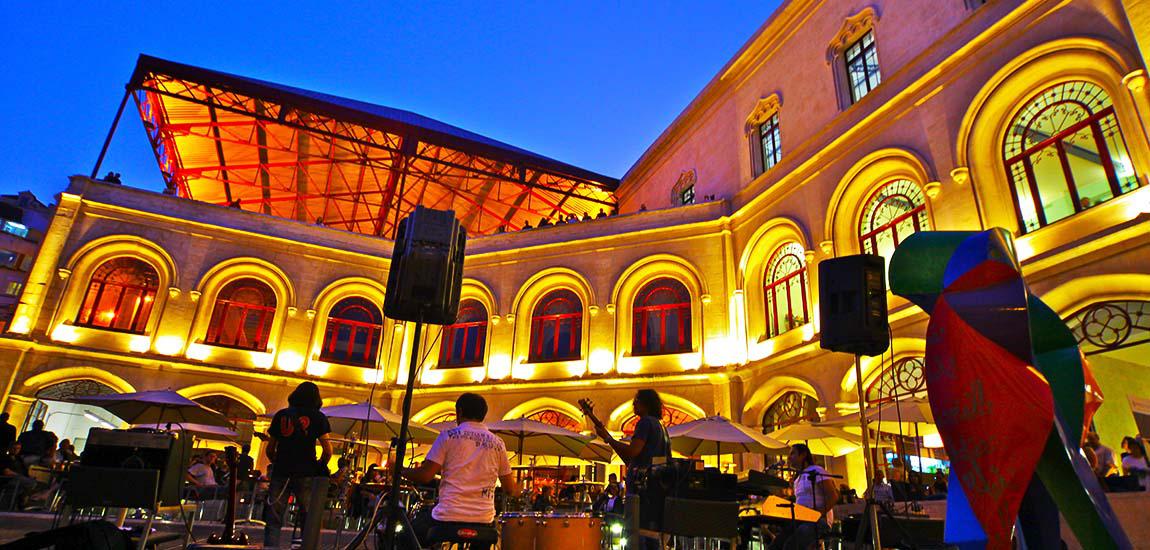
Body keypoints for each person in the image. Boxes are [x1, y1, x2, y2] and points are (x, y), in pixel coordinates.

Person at [405, 393, 516, 550]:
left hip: (448, 516)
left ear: (460, 412)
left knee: (407, 533)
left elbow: (425, 475)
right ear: (483, 415)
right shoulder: (498, 443)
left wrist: (399, 470)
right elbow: (510, 488)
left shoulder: (448, 436)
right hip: (483, 519)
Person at [583, 389, 669, 550]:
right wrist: (608, 438)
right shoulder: (660, 427)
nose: (633, 404)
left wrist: (609, 439)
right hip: (655, 492)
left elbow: (632, 452)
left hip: (641, 492)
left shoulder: (645, 423)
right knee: (651, 538)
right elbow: (631, 460)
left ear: (646, 404)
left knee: (635, 537)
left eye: (637, 400)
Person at [263, 381, 333, 549]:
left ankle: (271, 546)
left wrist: (276, 460)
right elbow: (327, 449)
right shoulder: (318, 417)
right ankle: (307, 546)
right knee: (308, 515)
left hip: (282, 470)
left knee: (274, 516)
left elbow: (270, 448)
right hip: (306, 471)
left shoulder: (281, 415)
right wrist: (320, 465)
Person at [769, 443, 840, 550]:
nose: (789, 458)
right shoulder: (797, 479)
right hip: (801, 519)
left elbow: (833, 496)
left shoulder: (816, 470)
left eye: (793, 453)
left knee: (792, 544)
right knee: (777, 543)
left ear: (803, 455)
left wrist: (817, 513)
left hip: (819, 520)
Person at [1, 443, 36, 508]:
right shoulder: (4, 458)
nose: (16, 450)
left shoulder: (19, 459)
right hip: (9, 479)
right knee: (30, 483)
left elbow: (24, 470)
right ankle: (23, 501)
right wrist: (19, 475)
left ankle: (22, 500)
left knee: (33, 482)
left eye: (18, 448)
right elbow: (6, 472)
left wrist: (28, 476)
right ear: (9, 448)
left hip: (20, 478)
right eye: (14, 448)